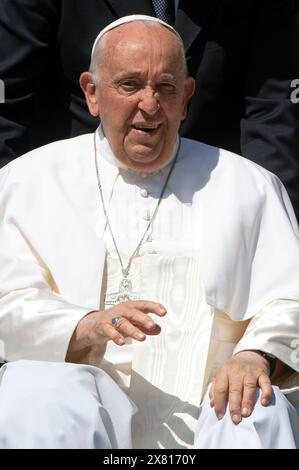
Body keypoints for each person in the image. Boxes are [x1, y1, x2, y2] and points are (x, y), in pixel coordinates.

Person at [0, 15, 299, 449]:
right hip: (77, 412)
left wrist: (256, 355)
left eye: (165, 88)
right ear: (92, 93)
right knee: (39, 395)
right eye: (129, 85)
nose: (150, 104)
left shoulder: (249, 186)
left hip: (209, 417)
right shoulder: (26, 182)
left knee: (256, 406)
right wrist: (83, 326)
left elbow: (290, 296)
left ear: (187, 97)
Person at [1, 0, 299, 220]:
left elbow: (275, 112)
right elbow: (9, 102)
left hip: (208, 200)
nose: (149, 104)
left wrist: (271, 221)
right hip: (74, 201)